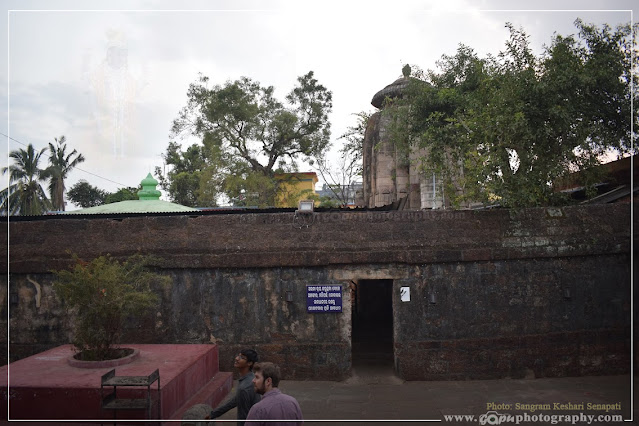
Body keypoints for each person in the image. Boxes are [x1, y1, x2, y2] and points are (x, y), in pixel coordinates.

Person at [208, 349, 261, 426]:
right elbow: (236, 400)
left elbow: (244, 416)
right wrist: (213, 414)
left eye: (242, 357)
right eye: (238, 355)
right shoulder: (251, 377)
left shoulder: (244, 388)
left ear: (249, 363)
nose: (237, 358)